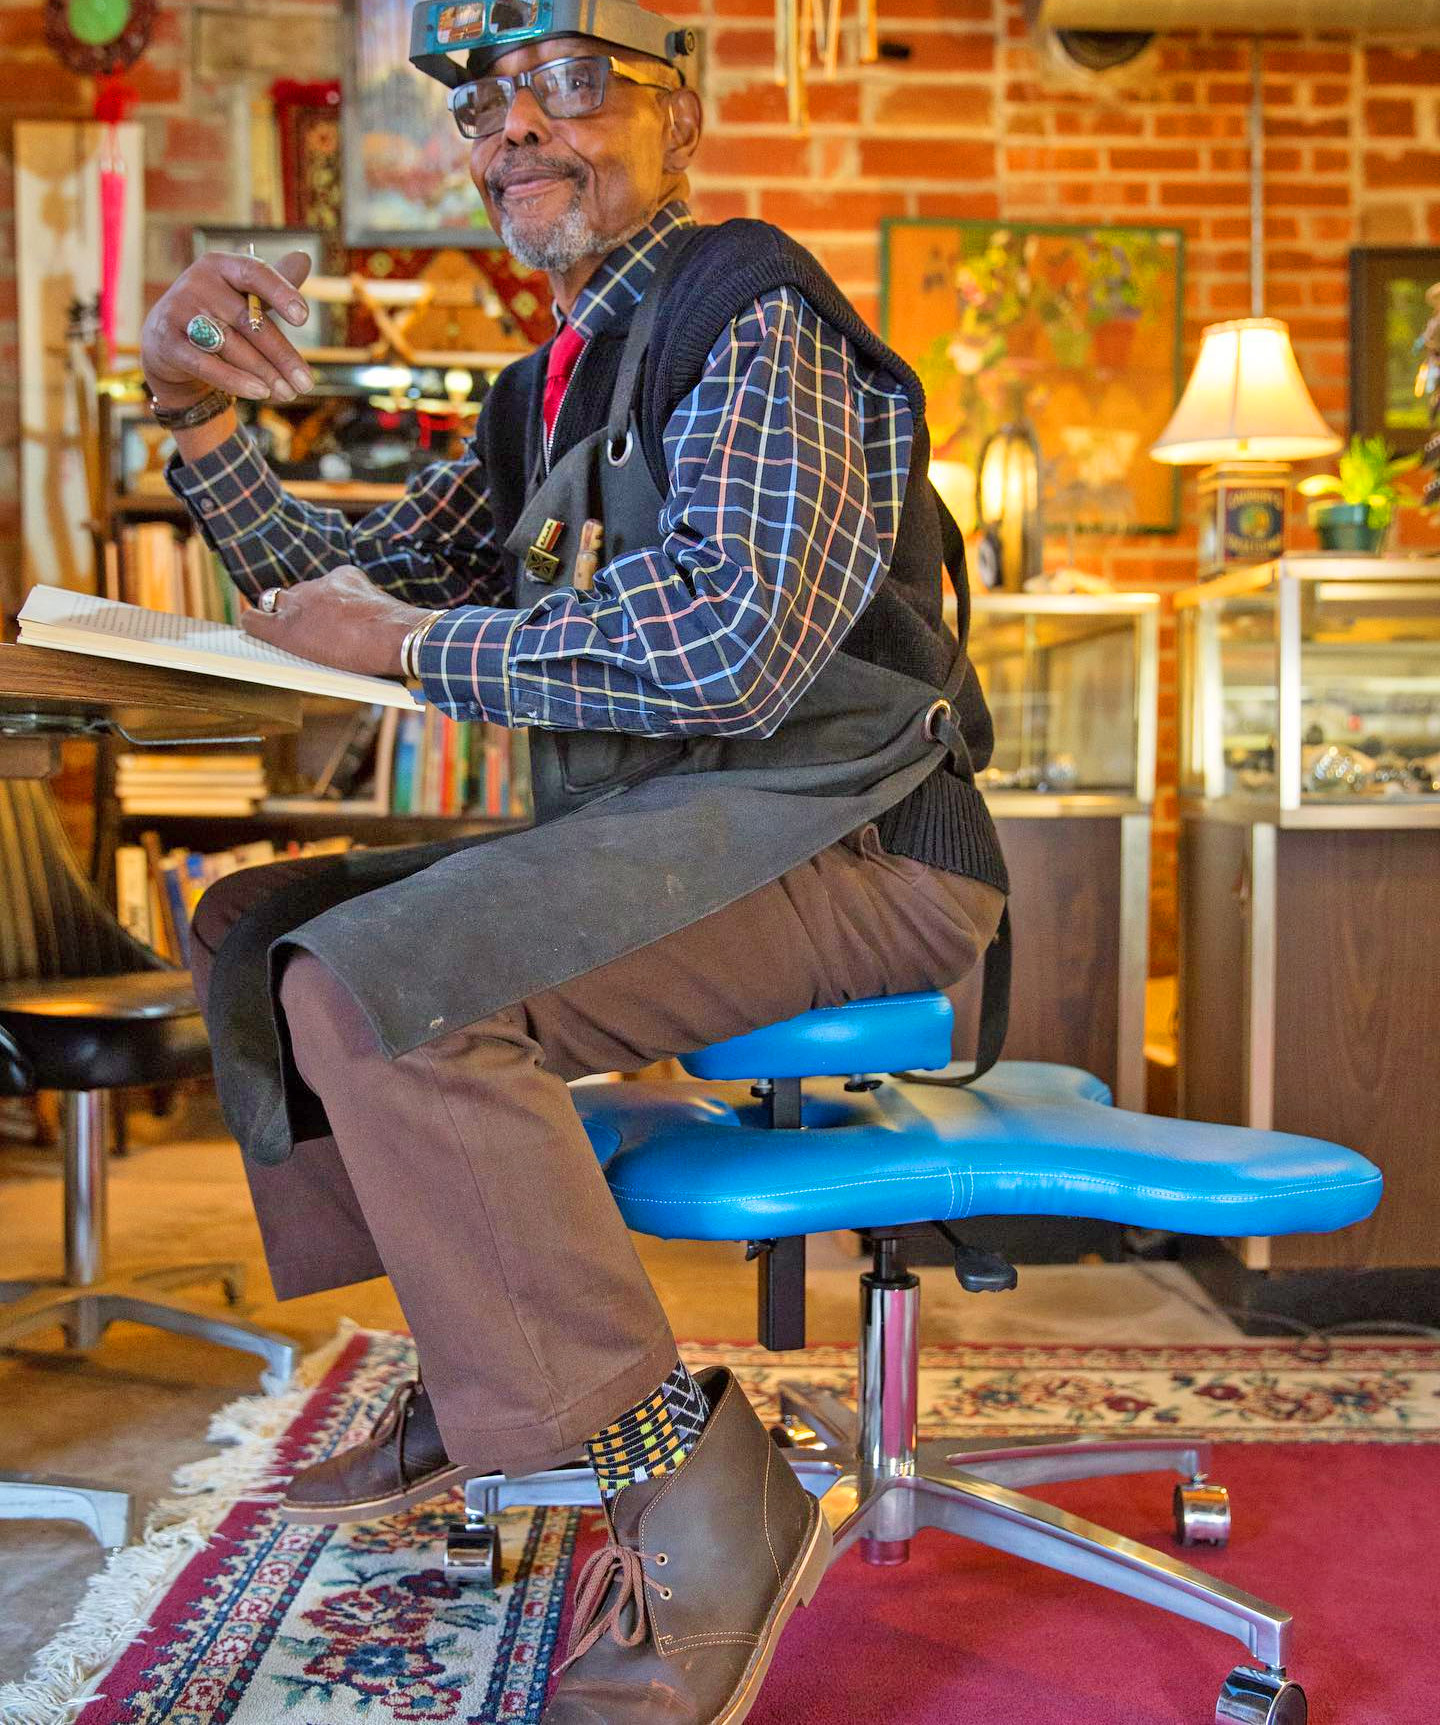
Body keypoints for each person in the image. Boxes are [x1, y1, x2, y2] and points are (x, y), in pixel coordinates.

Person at [140, 1, 1008, 1717]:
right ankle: (488, 1376)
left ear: (683, 114)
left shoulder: (750, 312)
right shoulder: (539, 386)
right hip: (678, 843)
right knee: (258, 927)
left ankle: (690, 1488)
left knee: (386, 994)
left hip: (859, 845)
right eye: (482, 99)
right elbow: (355, 592)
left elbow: (736, 645)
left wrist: (406, 648)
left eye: (571, 80)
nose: (516, 126)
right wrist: (198, 428)